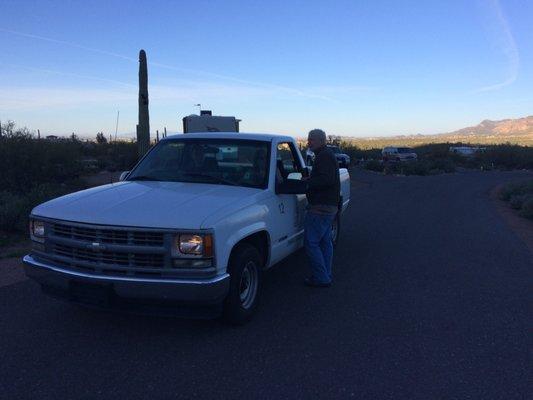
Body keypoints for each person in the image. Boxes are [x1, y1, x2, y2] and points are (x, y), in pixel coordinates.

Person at [303, 129, 340, 287]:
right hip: (329, 205)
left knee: (311, 243)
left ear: (320, 140)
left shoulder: (324, 156)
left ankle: (321, 278)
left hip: (321, 207)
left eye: (311, 139)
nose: (308, 142)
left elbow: (326, 180)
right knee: (325, 242)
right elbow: (327, 178)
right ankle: (325, 274)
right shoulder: (325, 155)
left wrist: (307, 182)